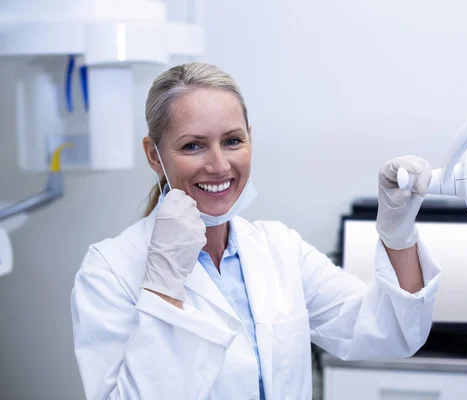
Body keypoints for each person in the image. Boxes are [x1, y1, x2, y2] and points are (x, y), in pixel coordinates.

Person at [71, 62, 441, 400]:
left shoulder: (280, 247)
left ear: (250, 138)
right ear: (154, 155)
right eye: (193, 146)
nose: (218, 165)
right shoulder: (110, 270)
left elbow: (388, 332)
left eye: (232, 141)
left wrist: (398, 234)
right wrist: (164, 287)